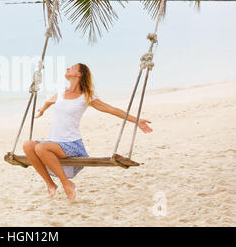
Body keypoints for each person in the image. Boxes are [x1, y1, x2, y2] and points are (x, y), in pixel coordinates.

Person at [22, 63, 153, 204]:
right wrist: (42, 110)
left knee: (40, 148)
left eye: (71, 67)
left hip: (72, 144)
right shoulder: (61, 92)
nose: (67, 68)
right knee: (27, 145)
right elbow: (48, 102)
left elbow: (111, 109)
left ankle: (67, 183)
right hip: (54, 142)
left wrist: (137, 120)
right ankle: (50, 183)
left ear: (79, 74)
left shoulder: (86, 96)